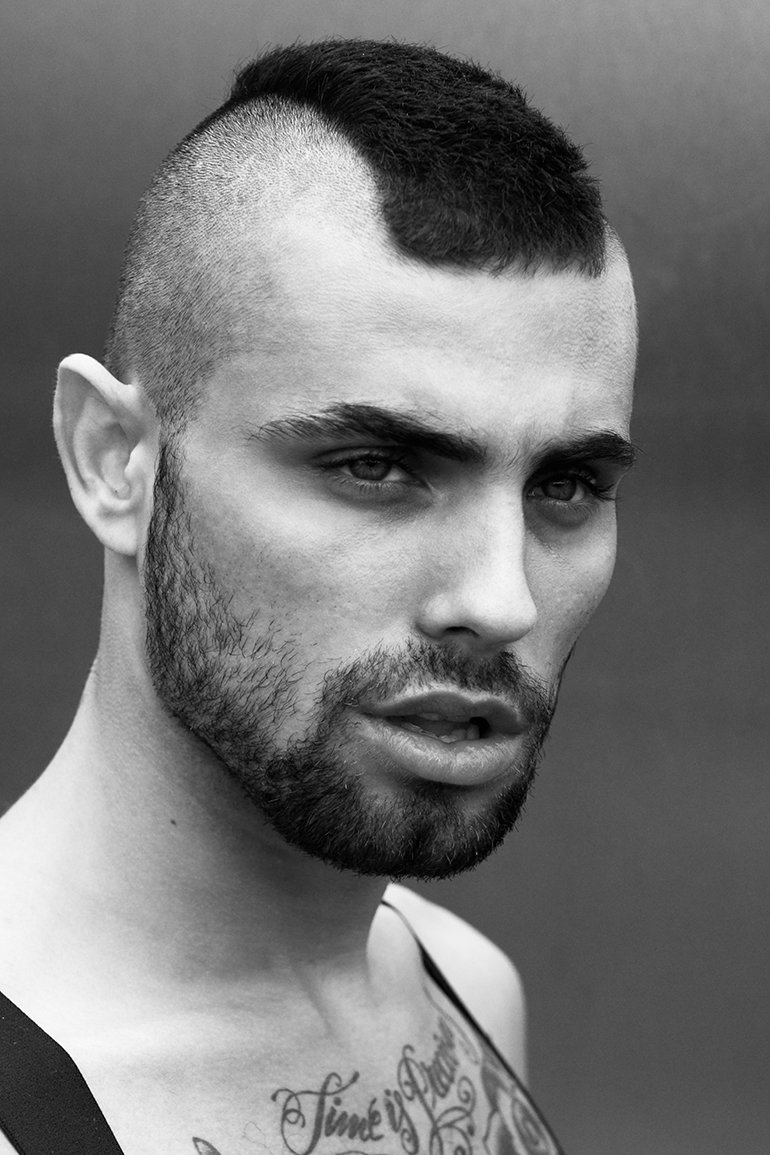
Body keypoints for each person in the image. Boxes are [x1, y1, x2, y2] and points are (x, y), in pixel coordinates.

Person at [0, 38, 637, 1155]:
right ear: (114, 460)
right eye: (375, 467)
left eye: (566, 484)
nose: (501, 602)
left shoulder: (463, 989)